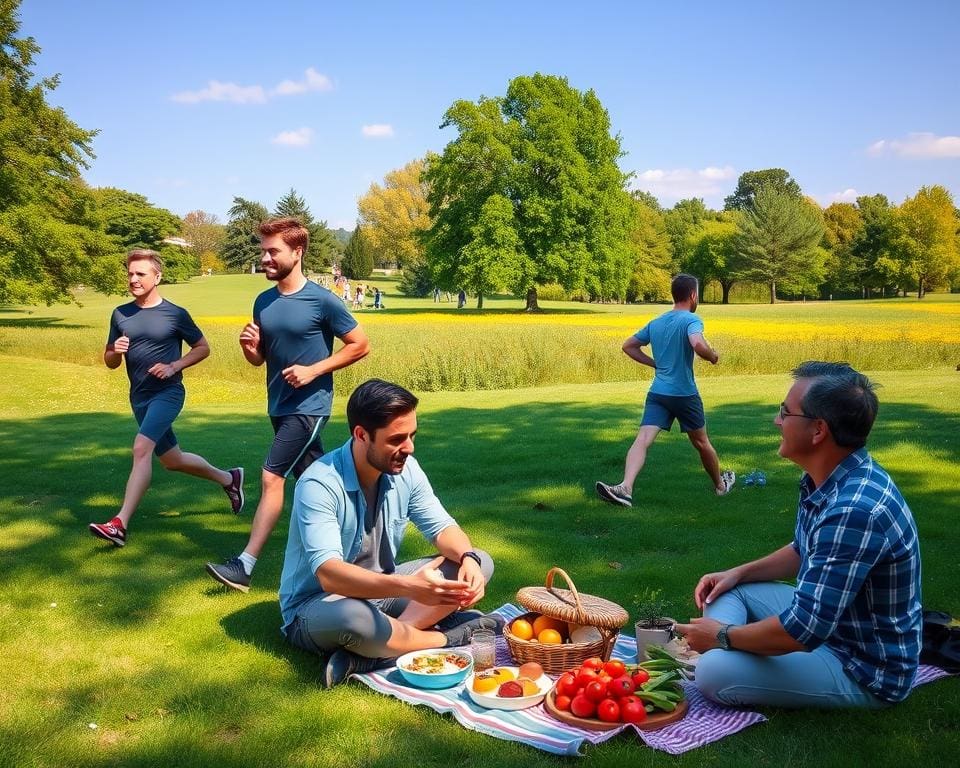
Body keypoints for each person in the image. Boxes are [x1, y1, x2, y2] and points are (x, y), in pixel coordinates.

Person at [675, 362, 922, 709]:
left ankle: (717, 653)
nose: (777, 421)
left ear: (818, 430)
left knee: (714, 673)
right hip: (832, 629)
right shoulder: (833, 478)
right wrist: (737, 573)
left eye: (784, 412)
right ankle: (726, 648)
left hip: (862, 667)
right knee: (727, 591)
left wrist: (721, 636)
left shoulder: (854, 510)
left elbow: (803, 629)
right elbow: (802, 549)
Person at [280, 379, 501, 687]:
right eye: (397, 439)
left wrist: (468, 558)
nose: (409, 448)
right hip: (319, 606)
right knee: (353, 618)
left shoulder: (406, 469)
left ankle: (375, 651)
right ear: (361, 435)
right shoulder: (319, 484)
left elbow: (442, 527)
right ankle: (449, 636)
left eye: (412, 435)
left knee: (481, 561)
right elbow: (330, 575)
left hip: (382, 595)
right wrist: (410, 587)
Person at [206, 218, 370, 591]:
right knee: (318, 479)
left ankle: (244, 566)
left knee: (271, 476)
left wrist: (315, 370)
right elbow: (260, 360)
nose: (264, 257)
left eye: (272, 251)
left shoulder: (323, 300)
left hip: (309, 405)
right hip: (279, 405)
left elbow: (360, 344)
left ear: (297, 253)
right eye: (263, 250)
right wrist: (251, 349)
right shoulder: (263, 301)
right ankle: (360, 545)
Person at [90, 250, 244, 547]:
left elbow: (203, 348)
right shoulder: (120, 314)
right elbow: (110, 361)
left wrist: (175, 365)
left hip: (168, 392)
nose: (133, 279)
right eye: (130, 274)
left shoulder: (175, 314)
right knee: (172, 460)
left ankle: (119, 524)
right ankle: (229, 479)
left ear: (157, 277)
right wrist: (114, 351)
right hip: (139, 397)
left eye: (141, 274)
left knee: (140, 448)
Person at [596, 273, 734, 507]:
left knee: (643, 439)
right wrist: (712, 356)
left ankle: (625, 487)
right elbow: (698, 344)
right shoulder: (691, 320)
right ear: (693, 295)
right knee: (701, 443)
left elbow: (628, 346)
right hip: (684, 394)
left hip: (659, 393)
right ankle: (721, 486)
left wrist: (654, 363)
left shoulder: (657, 322)